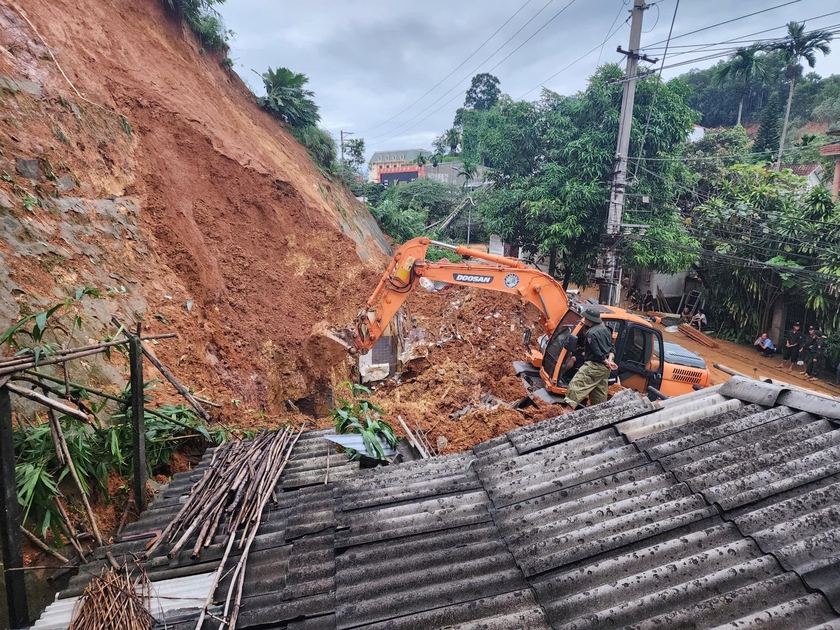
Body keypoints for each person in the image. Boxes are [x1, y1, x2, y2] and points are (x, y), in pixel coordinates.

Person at [564, 308, 617, 410]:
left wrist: (606, 362)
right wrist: (609, 361)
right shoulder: (606, 330)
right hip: (604, 369)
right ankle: (599, 416)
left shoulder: (590, 333)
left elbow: (597, 352)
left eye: (585, 318)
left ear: (589, 319)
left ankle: (567, 413)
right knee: (599, 395)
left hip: (594, 366)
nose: (584, 320)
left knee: (576, 386)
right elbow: (612, 347)